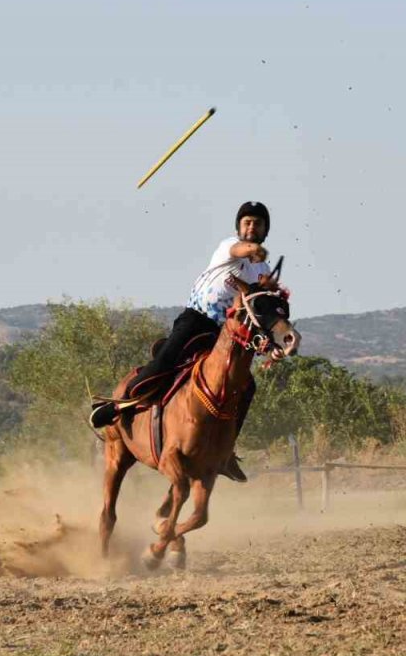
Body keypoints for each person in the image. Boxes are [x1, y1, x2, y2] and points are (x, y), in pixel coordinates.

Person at [90, 201, 274, 482]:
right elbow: (243, 250)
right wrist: (253, 250)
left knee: (247, 385)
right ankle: (116, 407)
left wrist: (267, 341)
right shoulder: (230, 247)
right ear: (239, 227)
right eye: (247, 222)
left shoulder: (263, 269)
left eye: (257, 224)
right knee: (165, 362)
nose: (252, 227)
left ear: (265, 229)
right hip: (195, 321)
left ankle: (225, 453)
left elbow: (258, 311)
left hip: (226, 335)